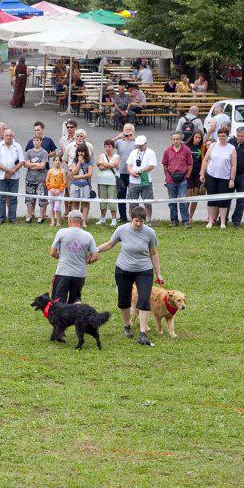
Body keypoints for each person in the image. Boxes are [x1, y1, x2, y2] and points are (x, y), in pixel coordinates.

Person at [98, 206, 163, 347]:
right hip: (123, 269)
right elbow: (110, 244)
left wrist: (158, 273)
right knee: (124, 299)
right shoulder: (122, 230)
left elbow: (153, 253)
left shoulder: (149, 232)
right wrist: (95, 250)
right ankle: (127, 326)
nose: (138, 224)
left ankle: (142, 333)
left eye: (141, 221)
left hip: (144, 270)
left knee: (144, 300)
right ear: (131, 218)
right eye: (136, 221)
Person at [49, 209, 98, 304]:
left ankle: (61, 319)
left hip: (63, 272)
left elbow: (52, 252)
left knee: (58, 302)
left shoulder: (62, 232)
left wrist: (62, 256)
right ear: (81, 221)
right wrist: (88, 261)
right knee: (76, 299)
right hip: (80, 274)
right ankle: (77, 318)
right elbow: (95, 256)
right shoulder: (88, 235)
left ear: (70, 220)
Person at [199, 127, 236, 229]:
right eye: (219, 136)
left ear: (227, 136)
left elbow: (233, 165)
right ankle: (210, 221)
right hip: (211, 176)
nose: (221, 138)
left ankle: (223, 222)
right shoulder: (213, 146)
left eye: (223, 136)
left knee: (223, 201)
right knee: (211, 200)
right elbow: (205, 160)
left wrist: (232, 179)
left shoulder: (231, 148)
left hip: (224, 178)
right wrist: (202, 173)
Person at [0, 128, 24, 224]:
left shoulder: (17, 146)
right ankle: (1, 218)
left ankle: (12, 218)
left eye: (11, 135)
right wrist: (7, 170)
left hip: (14, 176)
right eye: (7, 135)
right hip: (1, 176)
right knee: (1, 197)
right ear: (3, 136)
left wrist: (11, 172)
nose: (9, 137)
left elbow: (22, 161)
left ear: (13, 136)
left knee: (13, 198)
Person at [161, 132, 192, 227]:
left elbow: (190, 164)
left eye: (177, 139)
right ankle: (174, 220)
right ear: (171, 140)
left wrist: (187, 176)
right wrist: (167, 176)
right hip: (171, 179)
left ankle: (185, 221)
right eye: (174, 139)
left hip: (182, 179)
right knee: (172, 201)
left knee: (183, 200)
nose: (176, 141)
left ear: (181, 139)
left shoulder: (186, 150)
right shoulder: (167, 150)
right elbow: (165, 164)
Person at [126, 135, 157, 222]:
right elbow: (128, 164)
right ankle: (132, 219)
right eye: (138, 145)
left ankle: (148, 220)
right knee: (133, 202)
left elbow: (151, 166)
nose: (140, 146)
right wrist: (131, 172)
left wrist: (141, 171)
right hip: (133, 181)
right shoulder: (133, 152)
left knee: (147, 201)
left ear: (146, 144)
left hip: (145, 180)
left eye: (141, 145)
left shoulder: (151, 152)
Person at [95, 139, 121, 226]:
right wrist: (109, 164)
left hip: (112, 181)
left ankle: (114, 219)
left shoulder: (116, 156)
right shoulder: (102, 155)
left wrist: (102, 163)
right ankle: (102, 218)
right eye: (106, 146)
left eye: (109, 146)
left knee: (112, 200)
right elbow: (101, 168)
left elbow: (113, 165)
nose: (108, 148)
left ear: (113, 147)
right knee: (103, 200)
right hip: (102, 180)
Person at [114, 123, 136, 222]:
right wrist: (117, 136)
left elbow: (143, 146)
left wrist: (133, 138)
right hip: (121, 172)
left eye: (130, 129)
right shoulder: (119, 142)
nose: (128, 131)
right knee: (121, 195)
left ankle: (134, 216)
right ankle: (123, 217)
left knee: (132, 196)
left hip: (132, 173)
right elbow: (109, 144)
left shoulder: (136, 142)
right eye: (126, 129)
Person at [23, 136, 48, 223]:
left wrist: (32, 164)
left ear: (41, 141)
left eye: (37, 140)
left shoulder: (44, 152)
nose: (36, 142)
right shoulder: (29, 151)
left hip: (40, 179)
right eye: (34, 140)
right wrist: (36, 164)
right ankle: (29, 215)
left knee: (41, 197)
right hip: (30, 178)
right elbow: (25, 164)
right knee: (29, 198)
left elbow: (42, 166)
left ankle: (41, 216)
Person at [67, 144, 93, 225]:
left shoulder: (90, 162)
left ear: (85, 152)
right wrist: (79, 162)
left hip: (85, 185)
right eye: (79, 151)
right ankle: (74, 221)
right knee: (75, 203)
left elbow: (89, 174)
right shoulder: (75, 161)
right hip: (75, 185)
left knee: (85, 203)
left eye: (82, 151)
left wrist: (78, 176)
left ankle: (84, 221)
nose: (80, 153)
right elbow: (73, 172)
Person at [186, 130, 205, 224]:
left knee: (195, 196)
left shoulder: (202, 148)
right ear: (193, 137)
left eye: (199, 138)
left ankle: (190, 216)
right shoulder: (187, 146)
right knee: (188, 195)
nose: (197, 139)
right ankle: (185, 216)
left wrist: (203, 174)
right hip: (189, 174)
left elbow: (204, 161)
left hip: (198, 174)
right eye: (196, 137)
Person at [46, 156, 66, 227]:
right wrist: (50, 189)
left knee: (57, 207)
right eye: (56, 160)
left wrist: (59, 190)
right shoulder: (50, 171)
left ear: (61, 162)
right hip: (51, 190)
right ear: (53, 162)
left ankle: (58, 222)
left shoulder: (62, 171)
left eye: (59, 160)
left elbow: (64, 182)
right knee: (51, 206)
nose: (57, 161)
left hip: (59, 191)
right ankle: (52, 221)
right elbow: (47, 181)